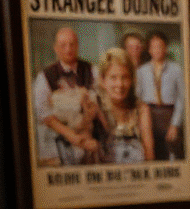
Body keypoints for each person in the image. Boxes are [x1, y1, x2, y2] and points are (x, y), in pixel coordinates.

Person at [32, 26, 100, 165]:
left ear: (78, 46)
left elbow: (98, 103)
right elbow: (43, 114)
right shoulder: (45, 76)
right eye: (63, 45)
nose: (68, 49)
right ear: (56, 48)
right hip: (58, 137)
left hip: (89, 134)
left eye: (72, 44)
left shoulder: (91, 70)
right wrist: (72, 136)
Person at [96, 47, 154, 164]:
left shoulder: (141, 109)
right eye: (113, 77)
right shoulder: (96, 108)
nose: (120, 84)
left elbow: (150, 156)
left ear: (132, 80)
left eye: (125, 77)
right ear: (102, 80)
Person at [135, 31, 185, 160]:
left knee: (173, 152)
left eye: (160, 46)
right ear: (149, 50)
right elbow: (138, 97)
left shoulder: (176, 70)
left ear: (166, 48)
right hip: (149, 114)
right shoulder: (141, 71)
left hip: (169, 113)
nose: (157, 50)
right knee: (151, 151)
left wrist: (175, 124)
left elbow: (182, 99)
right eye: (154, 47)